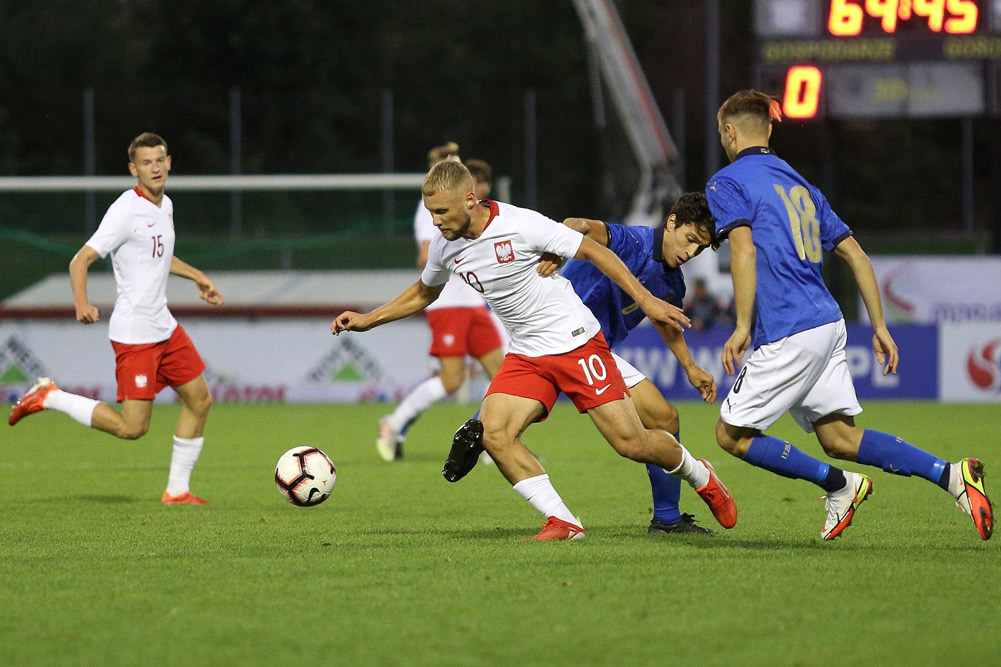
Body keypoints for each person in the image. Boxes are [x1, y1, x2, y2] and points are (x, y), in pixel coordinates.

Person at [334, 159, 737, 540]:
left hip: (576, 341)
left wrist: (647, 302)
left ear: (469, 201)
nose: (435, 222)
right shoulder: (446, 245)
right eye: (431, 213)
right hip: (527, 351)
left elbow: (593, 248)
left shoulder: (519, 224)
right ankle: (563, 520)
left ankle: (699, 474)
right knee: (495, 434)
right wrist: (370, 318)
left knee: (631, 443)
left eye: (441, 212)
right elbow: (425, 290)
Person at [706, 89, 993, 541]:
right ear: (769, 128)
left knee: (730, 435)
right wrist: (879, 326)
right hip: (829, 322)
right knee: (839, 438)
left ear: (729, 130)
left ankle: (840, 484)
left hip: (789, 329)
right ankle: (952, 475)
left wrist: (741, 326)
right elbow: (857, 256)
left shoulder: (726, 182)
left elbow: (742, 249)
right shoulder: (802, 184)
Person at [448, 192, 720, 535]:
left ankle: (666, 518)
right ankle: (480, 428)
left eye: (699, 248)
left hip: (594, 351)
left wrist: (689, 366)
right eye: (690, 240)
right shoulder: (634, 240)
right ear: (671, 223)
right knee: (638, 432)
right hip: (566, 338)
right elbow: (579, 226)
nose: (690, 252)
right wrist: (557, 248)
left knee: (664, 418)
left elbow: (665, 319)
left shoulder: (672, 282)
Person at [8, 132, 224, 506]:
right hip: (136, 332)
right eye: (146, 162)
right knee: (132, 428)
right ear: (132, 169)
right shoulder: (125, 210)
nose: (154, 168)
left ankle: (177, 491)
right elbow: (80, 260)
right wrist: (82, 303)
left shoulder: (165, 205)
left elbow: (158, 255)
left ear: (169, 163)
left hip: (164, 326)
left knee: (200, 401)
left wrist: (198, 277)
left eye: (160, 160)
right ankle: (50, 396)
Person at [376, 145, 505, 462]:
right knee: (451, 380)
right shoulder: (430, 208)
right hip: (447, 304)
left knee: (503, 375)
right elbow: (425, 256)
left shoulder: (469, 205)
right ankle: (393, 424)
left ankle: (493, 443)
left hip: (473, 303)